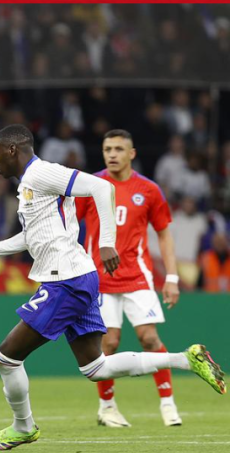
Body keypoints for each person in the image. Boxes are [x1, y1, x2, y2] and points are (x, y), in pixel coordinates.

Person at [0, 125, 225, 451]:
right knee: (96, 367)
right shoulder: (30, 185)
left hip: (66, 281)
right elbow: (33, 237)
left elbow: (101, 187)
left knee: (5, 358)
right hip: (78, 277)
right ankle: (187, 360)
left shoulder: (44, 173)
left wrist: (106, 243)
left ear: (12, 150)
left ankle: (23, 427)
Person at [75, 129, 183, 427]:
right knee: (108, 344)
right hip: (99, 279)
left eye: (118, 149)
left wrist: (171, 277)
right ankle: (107, 407)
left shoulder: (148, 190)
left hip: (137, 276)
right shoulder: (91, 185)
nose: (112, 154)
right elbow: (70, 223)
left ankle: (168, 403)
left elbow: (163, 235)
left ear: (131, 154)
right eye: (107, 148)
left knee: (149, 338)